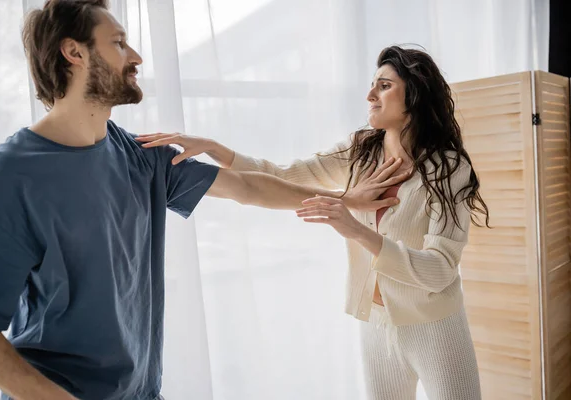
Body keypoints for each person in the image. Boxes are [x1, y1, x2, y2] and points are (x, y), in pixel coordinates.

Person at [0, 1, 406, 400]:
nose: (136, 58)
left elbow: (247, 188)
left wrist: (343, 199)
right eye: (119, 44)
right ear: (75, 53)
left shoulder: (141, 157)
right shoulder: (13, 175)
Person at [138, 46, 491, 400]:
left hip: (435, 326)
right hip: (375, 325)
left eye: (383, 85)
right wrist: (214, 147)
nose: (370, 95)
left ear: (415, 94)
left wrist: (355, 228)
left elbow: (441, 269)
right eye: (372, 85)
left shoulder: (449, 168)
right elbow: (282, 175)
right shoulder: (361, 150)